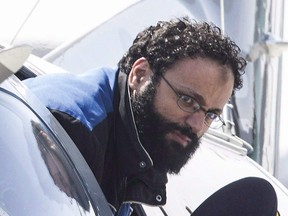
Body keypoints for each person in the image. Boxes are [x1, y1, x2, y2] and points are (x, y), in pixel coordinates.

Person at [24, 17, 278, 215]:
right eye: (187, 100)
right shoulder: (71, 130)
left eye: (211, 114)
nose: (197, 125)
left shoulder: (136, 139)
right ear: (140, 74)